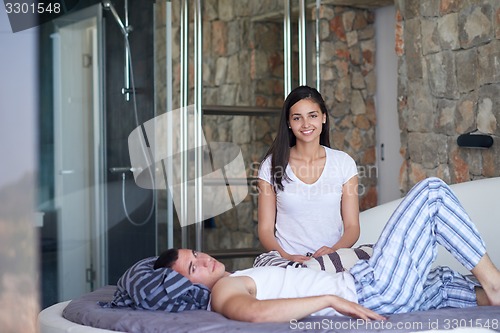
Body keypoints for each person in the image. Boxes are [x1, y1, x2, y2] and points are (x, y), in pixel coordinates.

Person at [158, 178, 500, 322]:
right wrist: (329, 300)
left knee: (438, 282)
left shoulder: (239, 276)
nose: (203, 259)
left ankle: (493, 295)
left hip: (366, 284)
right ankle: (494, 286)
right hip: (368, 291)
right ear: (188, 286)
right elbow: (255, 314)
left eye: (195, 254)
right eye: (193, 267)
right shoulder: (222, 291)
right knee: (431, 193)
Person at [258, 85, 360, 263]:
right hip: (286, 262)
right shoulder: (271, 165)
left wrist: (332, 253)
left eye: (312, 115)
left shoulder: (344, 163)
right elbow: (265, 229)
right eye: (297, 118)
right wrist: (287, 257)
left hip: (331, 261)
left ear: (323, 118)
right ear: (289, 123)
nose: (306, 124)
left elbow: (352, 227)